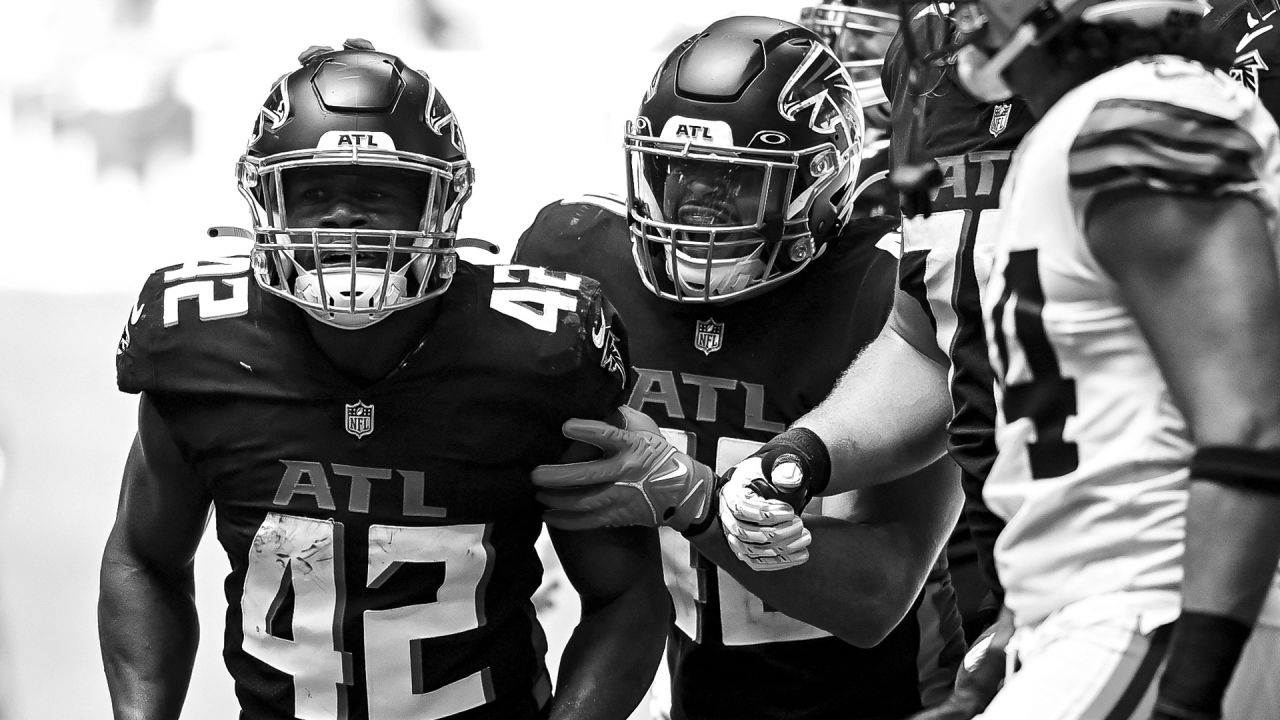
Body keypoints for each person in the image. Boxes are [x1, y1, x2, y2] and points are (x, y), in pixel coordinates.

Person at [737, 1, 1280, 717]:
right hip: (1075, 590)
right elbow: (940, 340)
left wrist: (1193, 679)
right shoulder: (1050, 113)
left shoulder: (1146, 113)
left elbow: (1248, 423)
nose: (960, 21)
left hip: (1165, 589)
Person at [98, 39, 668, 720]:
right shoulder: (197, 344)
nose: (346, 219)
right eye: (313, 193)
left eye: (377, 191)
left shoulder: (539, 352)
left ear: (443, 204)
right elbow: (141, 558)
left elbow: (626, 598)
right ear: (265, 200)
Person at [514, 16, 966, 720]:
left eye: (734, 182)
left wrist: (695, 501)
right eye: (678, 173)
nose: (698, 211)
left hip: (891, 700)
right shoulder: (579, 258)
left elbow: (877, 594)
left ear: (817, 187)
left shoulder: (890, 290)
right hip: (700, 687)